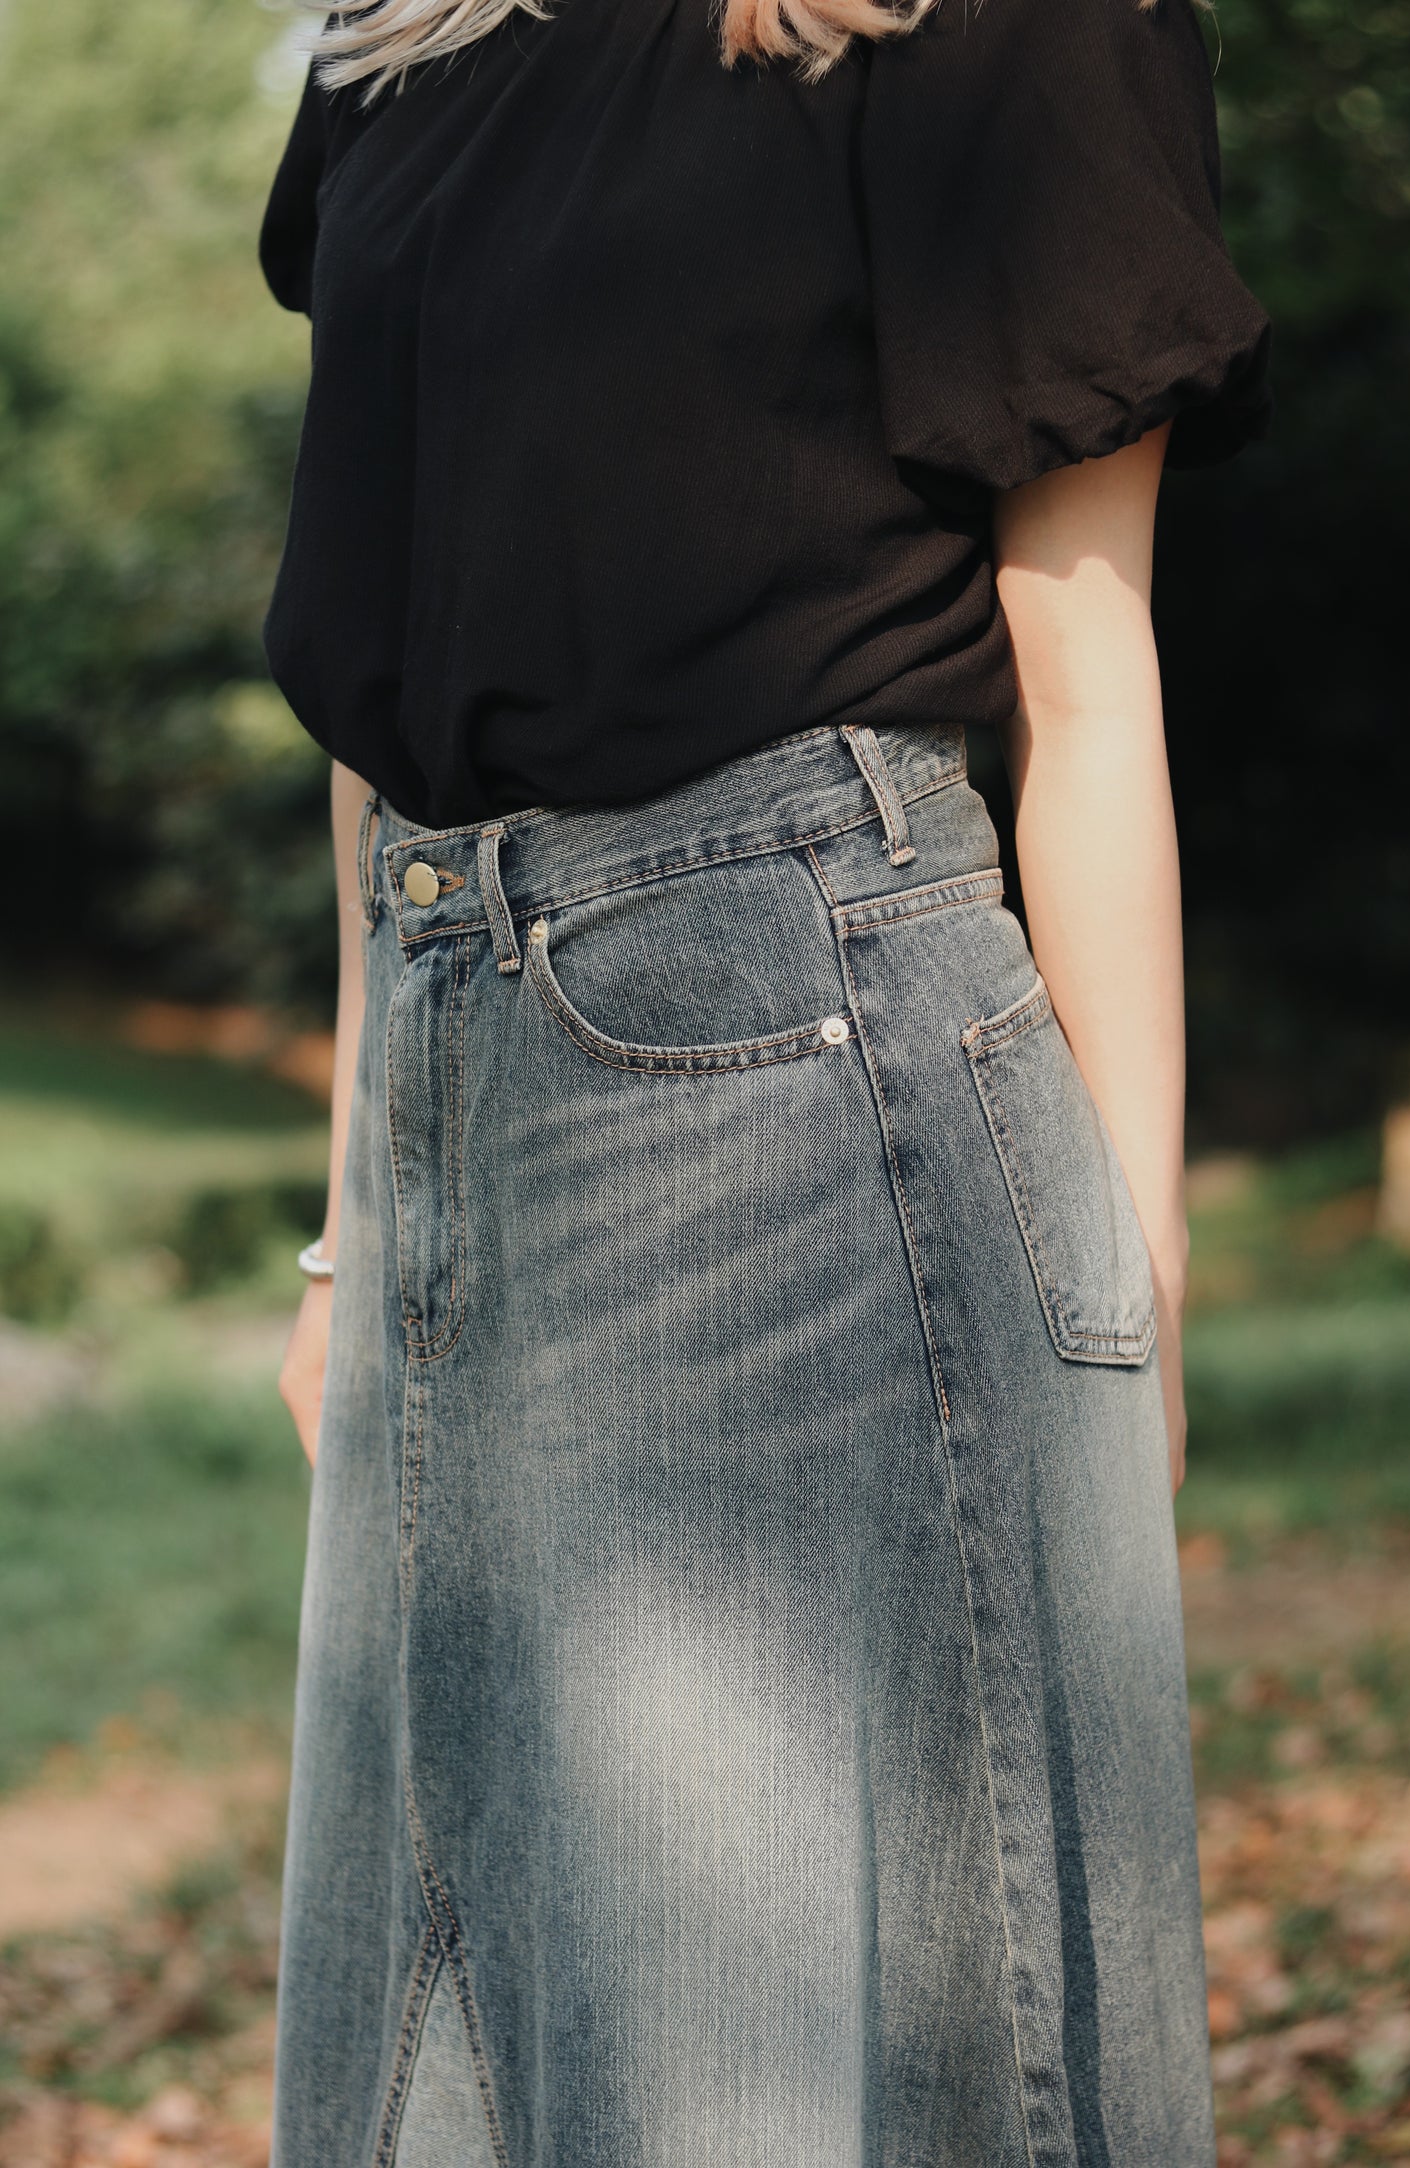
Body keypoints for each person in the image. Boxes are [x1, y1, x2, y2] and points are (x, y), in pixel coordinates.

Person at [261, 0, 1270, 2152]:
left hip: (806, 1095)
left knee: (753, 2079)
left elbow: (1086, 687)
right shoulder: (401, 53)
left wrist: (1134, 1270)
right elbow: (383, 714)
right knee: (425, 2085)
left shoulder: (991, 22)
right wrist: (359, 1221)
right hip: (455, 1077)